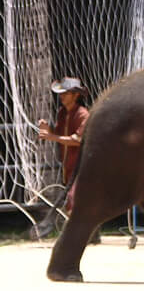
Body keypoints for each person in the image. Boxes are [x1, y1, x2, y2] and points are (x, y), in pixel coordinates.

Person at [34, 76, 91, 236]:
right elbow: (59, 135)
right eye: (61, 93)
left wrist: (51, 137)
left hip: (82, 166)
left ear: (75, 95)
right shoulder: (62, 113)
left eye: (66, 93)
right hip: (68, 167)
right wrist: (47, 130)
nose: (62, 96)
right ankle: (90, 235)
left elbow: (77, 140)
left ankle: (73, 237)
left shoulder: (82, 114)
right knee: (76, 202)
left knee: (73, 201)